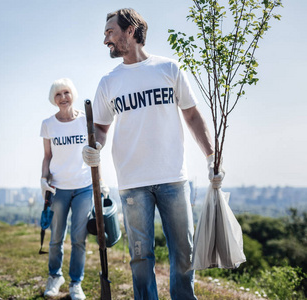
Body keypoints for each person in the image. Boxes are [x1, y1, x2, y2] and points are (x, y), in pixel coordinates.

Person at [82, 8, 222, 300]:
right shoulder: (109, 82)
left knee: (184, 253)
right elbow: (101, 128)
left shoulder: (169, 69)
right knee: (140, 257)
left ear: (129, 30)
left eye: (110, 32)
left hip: (173, 176)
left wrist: (211, 156)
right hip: (133, 180)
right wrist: (94, 146)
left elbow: (193, 116)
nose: (105, 39)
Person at [40, 78, 109, 300]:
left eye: (66, 92)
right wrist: (43, 179)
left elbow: (94, 153)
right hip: (58, 188)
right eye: (58, 94)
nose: (62, 98)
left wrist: (102, 181)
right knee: (56, 238)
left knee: (79, 238)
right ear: (53, 98)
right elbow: (47, 156)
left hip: (84, 187)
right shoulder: (48, 124)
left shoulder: (86, 121)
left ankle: (75, 283)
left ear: (73, 94)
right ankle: (54, 276)